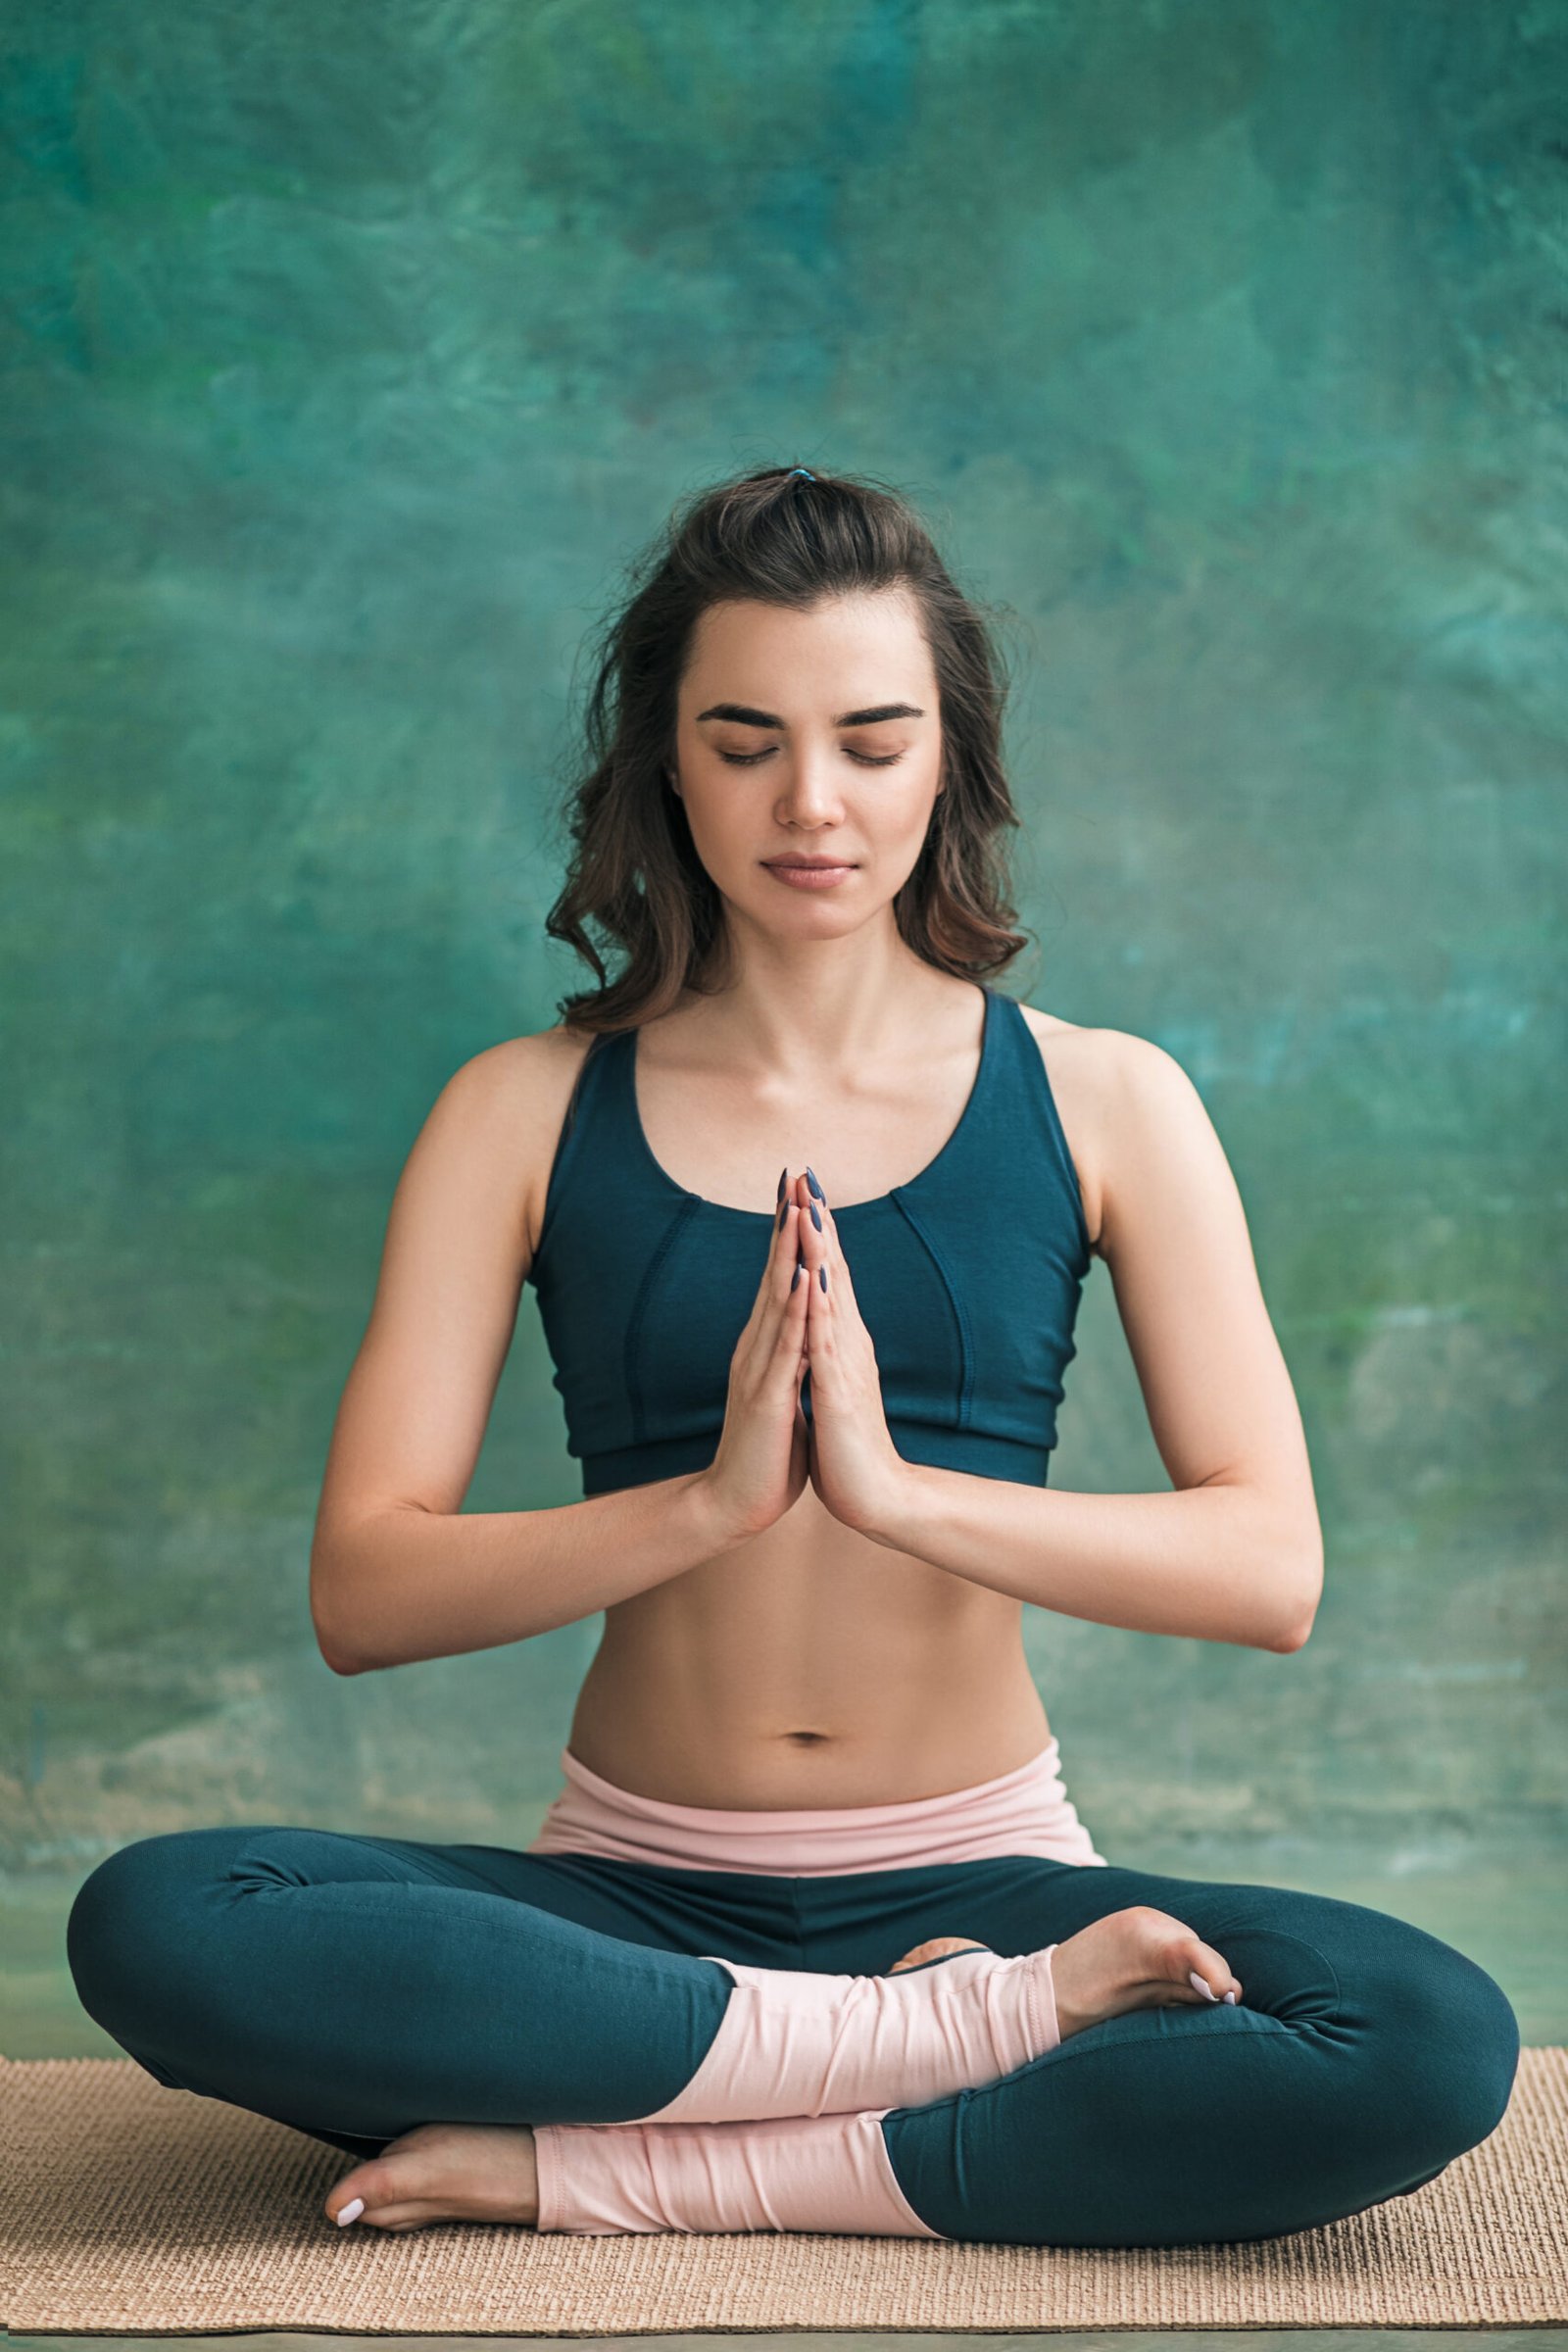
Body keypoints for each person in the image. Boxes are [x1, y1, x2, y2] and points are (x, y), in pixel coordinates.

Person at [67, 464, 1518, 2247]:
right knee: (157, 1920)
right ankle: (945, 2052)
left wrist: (902, 1496)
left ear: (951, 761)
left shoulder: (1107, 1098)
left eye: (871, 741)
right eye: (744, 741)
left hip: (990, 1885)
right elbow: (366, 1593)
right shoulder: (519, 1112)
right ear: (666, 761)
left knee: (1430, 2039)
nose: (810, 803)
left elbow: (1267, 1565)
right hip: (623, 1907)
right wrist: (711, 1503)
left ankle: (620, 2158)